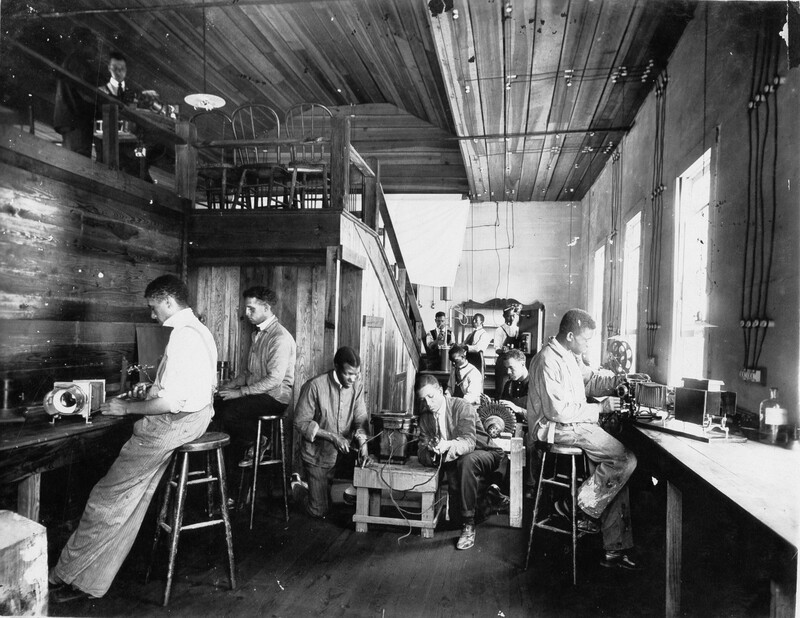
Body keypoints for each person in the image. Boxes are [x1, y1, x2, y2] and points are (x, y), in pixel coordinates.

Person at [50, 275, 218, 602]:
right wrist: (151, 390)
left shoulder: (182, 337)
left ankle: (64, 574)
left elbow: (171, 403)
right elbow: (183, 388)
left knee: (105, 496)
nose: (153, 315)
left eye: (154, 308)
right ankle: (89, 581)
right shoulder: (200, 330)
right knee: (130, 497)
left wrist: (125, 408)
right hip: (196, 419)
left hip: (175, 423)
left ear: (168, 301)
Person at [527, 308, 640, 570]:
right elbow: (558, 411)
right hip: (555, 428)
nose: (588, 344)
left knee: (613, 472)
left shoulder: (570, 356)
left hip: (574, 423)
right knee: (624, 458)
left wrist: (618, 380)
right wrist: (600, 409)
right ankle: (573, 506)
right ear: (570, 335)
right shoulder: (547, 360)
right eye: (586, 340)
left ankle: (614, 550)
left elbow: (589, 382)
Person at [416, 374, 504, 550]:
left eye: (431, 396)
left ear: (440, 391)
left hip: (486, 453)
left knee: (466, 461)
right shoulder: (425, 416)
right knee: (454, 518)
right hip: (458, 460)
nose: (428, 403)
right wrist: (432, 452)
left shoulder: (461, 406)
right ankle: (489, 495)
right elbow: (421, 451)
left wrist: (448, 444)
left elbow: (469, 442)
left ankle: (469, 525)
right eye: (423, 399)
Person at [216, 286, 296, 468]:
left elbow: (274, 380)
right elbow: (250, 374)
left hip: (275, 398)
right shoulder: (258, 334)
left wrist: (240, 393)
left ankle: (259, 440)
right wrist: (228, 386)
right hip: (259, 395)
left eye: (251, 309)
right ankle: (233, 470)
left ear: (267, 308)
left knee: (230, 412)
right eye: (246, 308)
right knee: (216, 407)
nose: (246, 313)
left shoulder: (279, 337)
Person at [294, 346, 373, 518]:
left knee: (369, 468)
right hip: (317, 455)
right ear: (336, 367)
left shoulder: (356, 387)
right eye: (348, 374)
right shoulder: (314, 386)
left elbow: (361, 418)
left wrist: (364, 448)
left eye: (356, 374)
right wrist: (333, 437)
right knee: (319, 511)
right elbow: (300, 422)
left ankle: (336, 491)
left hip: (342, 454)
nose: (353, 378)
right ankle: (297, 488)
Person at [96, 51, 166, 181]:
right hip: (109, 142)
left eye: (122, 69)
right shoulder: (102, 91)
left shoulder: (132, 93)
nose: (119, 72)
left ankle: (141, 171)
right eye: (115, 68)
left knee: (158, 146)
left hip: (130, 143)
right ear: (109, 68)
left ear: (126, 70)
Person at [53, 28, 101, 157]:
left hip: (70, 119)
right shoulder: (78, 63)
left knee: (73, 159)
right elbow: (85, 93)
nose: (97, 51)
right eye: (94, 46)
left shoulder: (72, 61)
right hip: (76, 120)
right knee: (78, 160)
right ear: (83, 44)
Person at [497, 348, 529, 420]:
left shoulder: (535, 385)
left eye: (511, 367)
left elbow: (541, 417)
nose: (508, 372)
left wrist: (519, 410)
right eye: (507, 368)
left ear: (522, 364)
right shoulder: (509, 384)